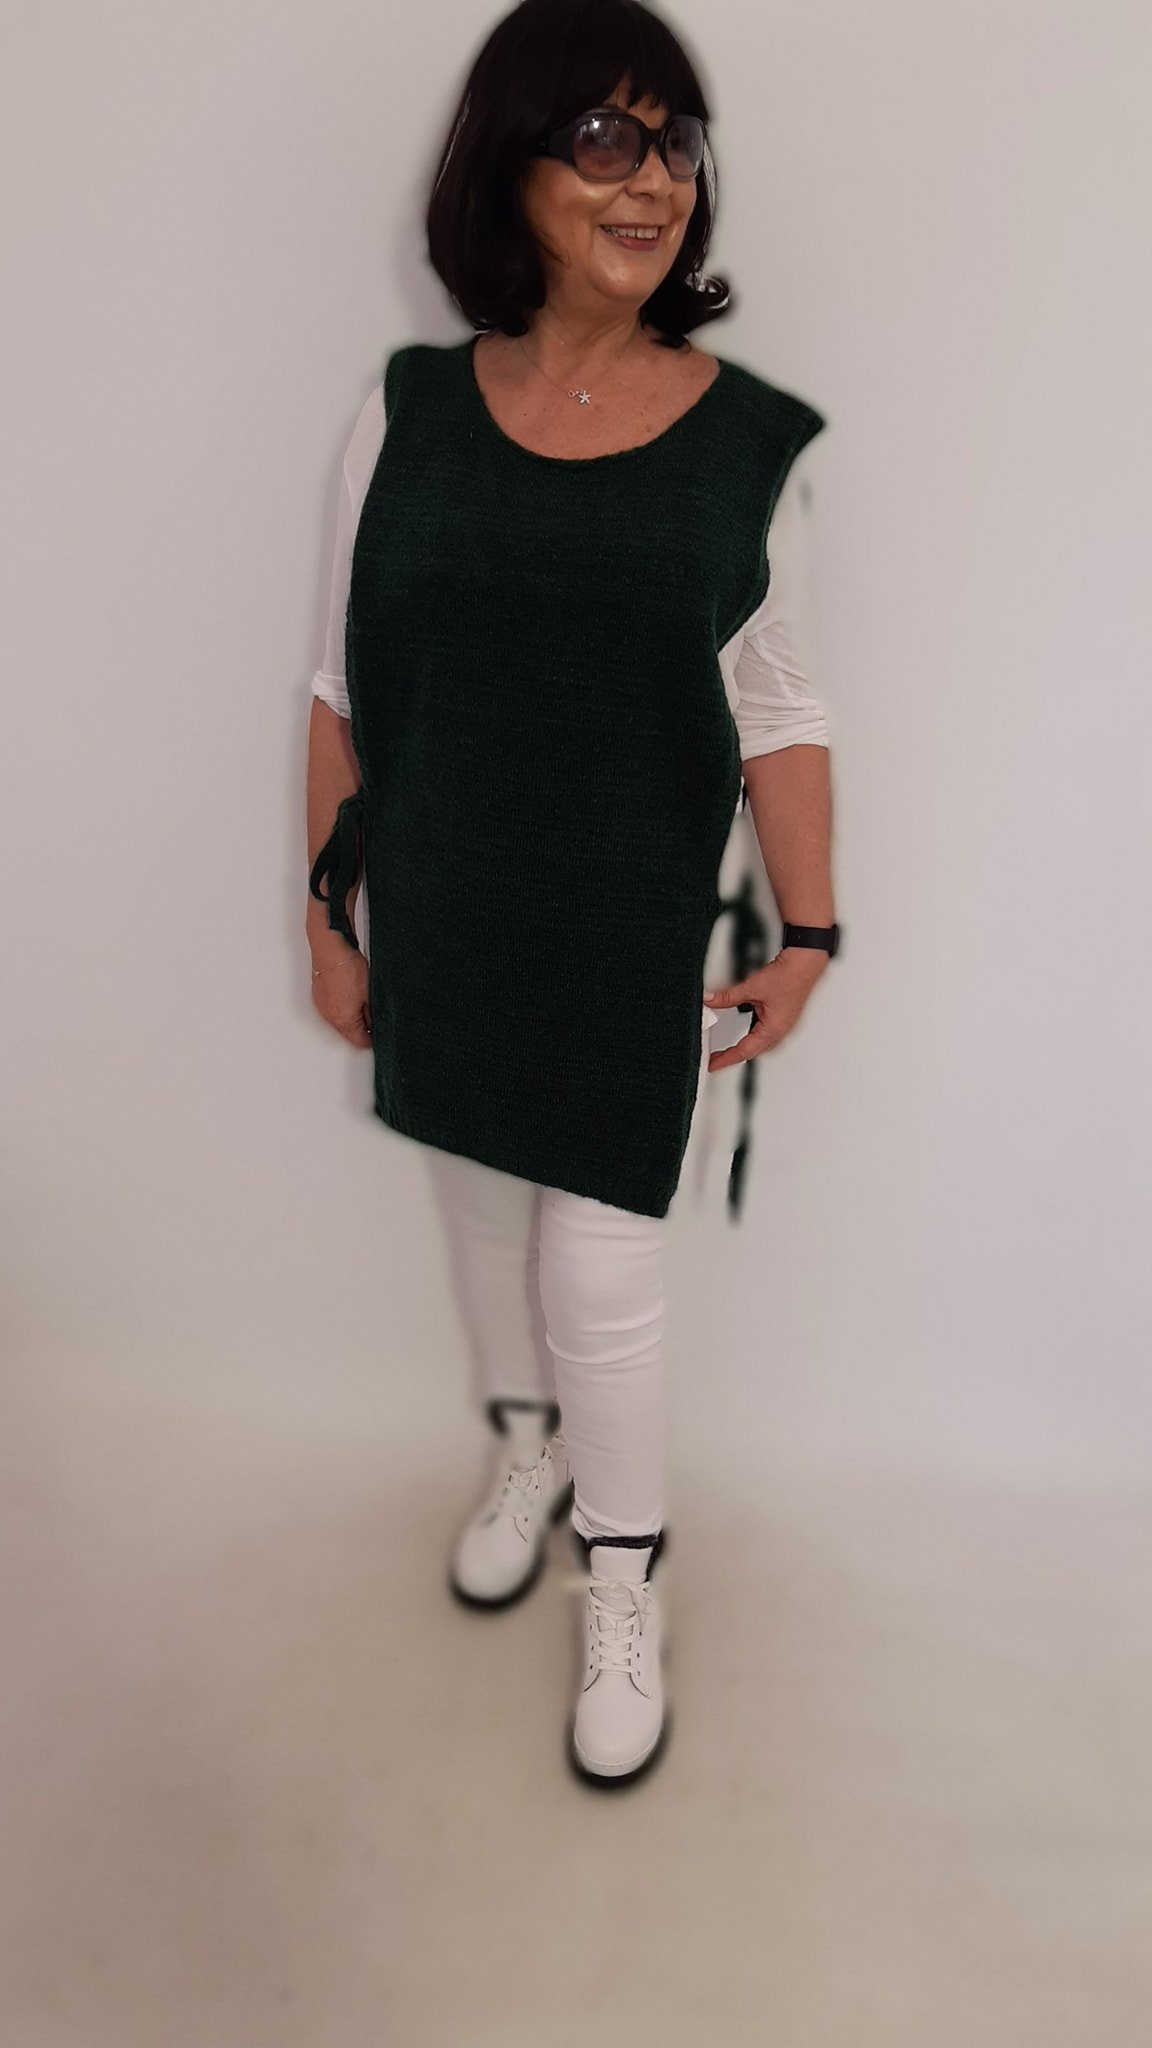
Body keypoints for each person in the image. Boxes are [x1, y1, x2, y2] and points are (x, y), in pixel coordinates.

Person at [304, 0, 840, 1788]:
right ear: (510, 171)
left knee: (599, 1267)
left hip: (633, 944)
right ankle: (525, 1446)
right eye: (605, 137)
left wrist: (813, 934)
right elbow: (341, 689)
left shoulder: (749, 445)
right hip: (443, 916)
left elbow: (783, 715)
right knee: (478, 1218)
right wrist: (329, 917)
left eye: (674, 139)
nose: (652, 178)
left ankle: (625, 1571)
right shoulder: (404, 414)